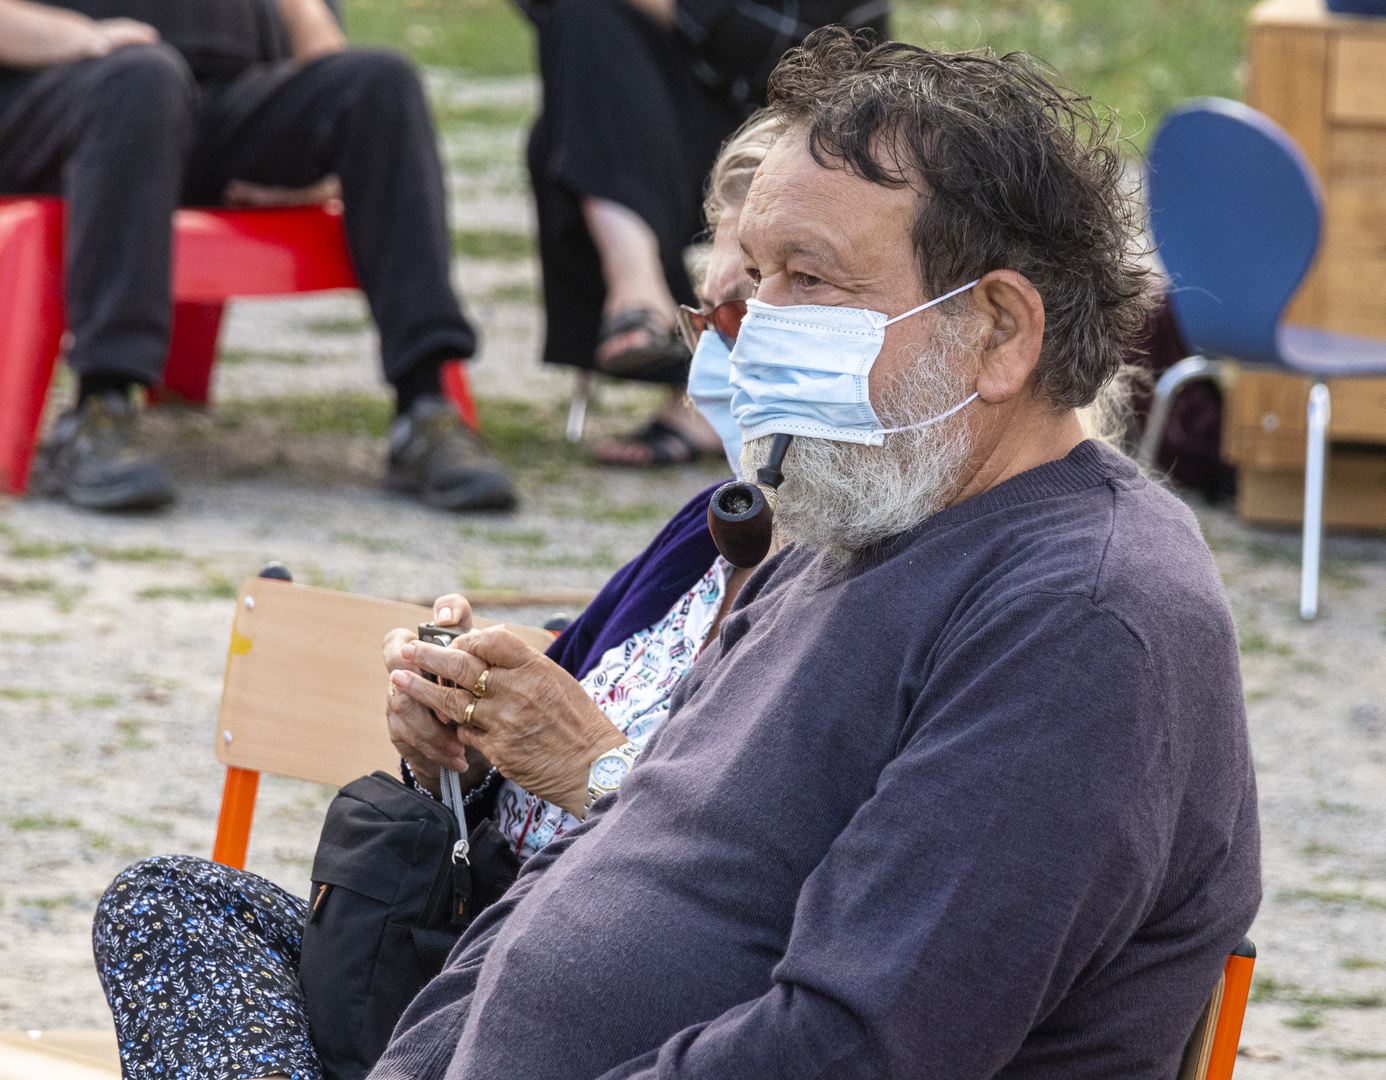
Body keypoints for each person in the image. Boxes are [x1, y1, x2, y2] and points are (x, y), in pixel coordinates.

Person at [371, 32, 1261, 1080]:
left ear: (999, 331)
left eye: (809, 278)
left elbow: (857, 1047)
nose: (752, 330)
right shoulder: (854, 530)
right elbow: (587, 874)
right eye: (751, 282)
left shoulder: (1082, 619)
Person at [90, 113, 783, 1080]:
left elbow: (758, 880)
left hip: (590, 994)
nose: (716, 351)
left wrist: (592, 765)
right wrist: (453, 730)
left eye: (752, 310)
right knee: (167, 903)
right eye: (707, 317)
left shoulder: (855, 586)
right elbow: (529, 736)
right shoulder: (706, 531)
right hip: (459, 944)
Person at [0, 0, 517, 512]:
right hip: (63, 89)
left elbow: (306, 20)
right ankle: (100, 408)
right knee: (142, 78)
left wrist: (324, 152)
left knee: (379, 83)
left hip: (213, 101)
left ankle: (425, 409)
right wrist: (77, 38)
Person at [516, 0, 887, 467]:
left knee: (572, 124)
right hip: (655, 123)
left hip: (801, 120)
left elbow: (785, 41)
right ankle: (660, 315)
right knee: (580, 24)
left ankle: (645, 300)